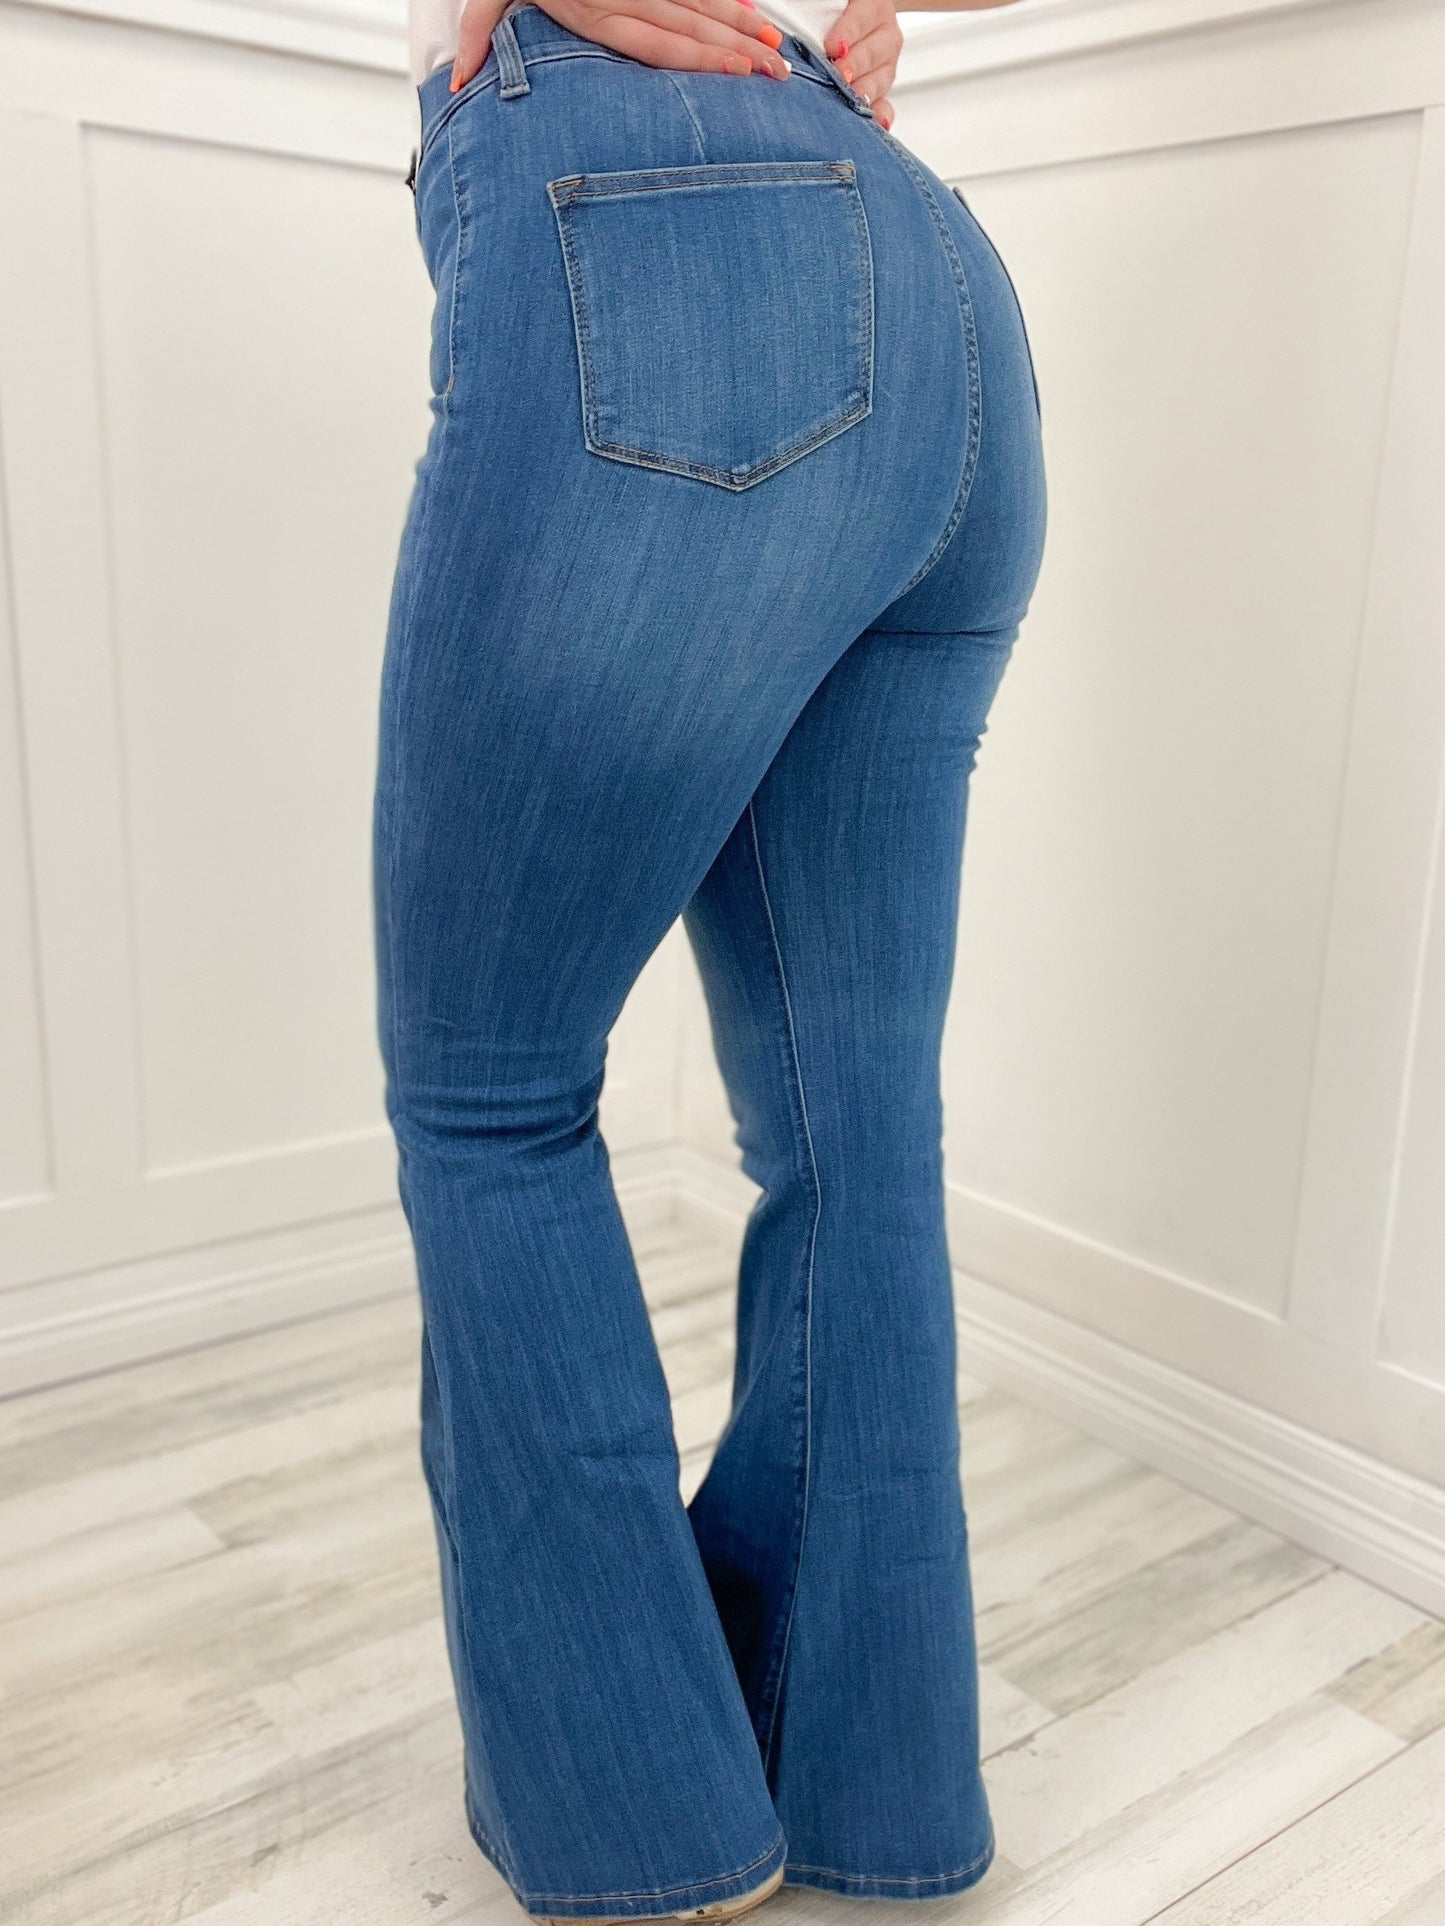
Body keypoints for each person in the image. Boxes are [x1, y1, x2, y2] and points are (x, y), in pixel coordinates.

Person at [371, 0, 1045, 1913]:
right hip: (936, 282)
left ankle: (643, 1828)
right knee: (854, 1129)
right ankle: (871, 1793)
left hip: (659, 237)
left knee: (489, 1097)